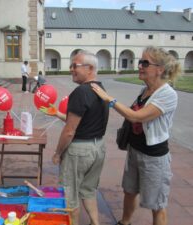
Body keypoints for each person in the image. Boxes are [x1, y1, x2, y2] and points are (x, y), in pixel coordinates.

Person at [91, 46, 181, 225]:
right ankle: (125, 222)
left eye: (145, 63)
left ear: (160, 69)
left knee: (157, 203)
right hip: (135, 150)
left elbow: (135, 116)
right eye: (140, 62)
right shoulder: (145, 90)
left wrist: (109, 99)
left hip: (154, 157)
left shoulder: (168, 94)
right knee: (129, 190)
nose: (140, 66)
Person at [51, 50, 109, 225]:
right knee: (89, 189)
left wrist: (57, 153)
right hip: (98, 147)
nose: (71, 69)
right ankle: (95, 223)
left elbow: (70, 130)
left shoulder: (81, 92)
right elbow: (86, 120)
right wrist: (58, 114)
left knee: (70, 193)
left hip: (79, 151)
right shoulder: (100, 88)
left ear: (90, 68)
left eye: (74, 66)